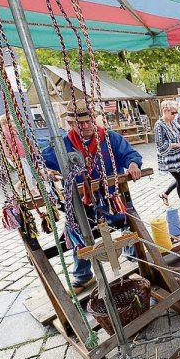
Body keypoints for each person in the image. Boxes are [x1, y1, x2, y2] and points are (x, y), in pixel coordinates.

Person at [43, 99, 142, 294]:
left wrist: (132, 164)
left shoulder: (110, 138)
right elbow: (42, 160)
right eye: (80, 123)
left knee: (126, 222)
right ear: (71, 124)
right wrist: (45, 170)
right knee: (78, 234)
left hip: (110, 196)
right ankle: (83, 277)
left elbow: (130, 153)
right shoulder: (63, 144)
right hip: (80, 202)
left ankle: (134, 259)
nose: (86, 126)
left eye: (89, 121)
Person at [156, 100, 180, 210]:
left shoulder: (172, 122)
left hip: (178, 156)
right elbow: (160, 145)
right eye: (173, 113)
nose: (175, 115)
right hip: (169, 158)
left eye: (175, 113)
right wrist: (176, 145)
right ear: (165, 111)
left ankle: (164, 194)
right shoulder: (159, 125)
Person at [0, 114, 38, 195]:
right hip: (16, 157)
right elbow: (8, 147)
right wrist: (15, 158)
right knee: (26, 174)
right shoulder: (5, 132)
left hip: (22, 155)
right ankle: (31, 190)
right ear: (6, 122)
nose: (14, 123)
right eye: (12, 121)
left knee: (28, 174)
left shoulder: (13, 131)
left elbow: (19, 143)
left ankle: (17, 186)